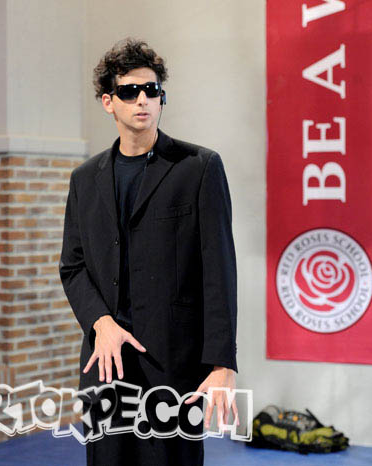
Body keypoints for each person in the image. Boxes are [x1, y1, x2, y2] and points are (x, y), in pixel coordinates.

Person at [59, 38, 239, 465]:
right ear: (109, 101)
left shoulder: (198, 167)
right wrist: (100, 322)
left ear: (162, 97)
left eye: (151, 90)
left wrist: (222, 364)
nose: (142, 100)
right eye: (129, 91)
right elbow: (73, 265)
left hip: (173, 367)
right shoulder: (85, 179)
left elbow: (219, 271)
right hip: (107, 364)